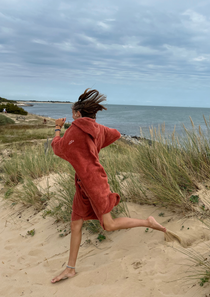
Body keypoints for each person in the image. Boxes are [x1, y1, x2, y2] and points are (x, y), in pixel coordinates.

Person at [51, 89, 166, 283]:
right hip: (83, 184)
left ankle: (148, 222)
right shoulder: (97, 128)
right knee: (76, 223)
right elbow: (115, 133)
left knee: (109, 225)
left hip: (94, 183)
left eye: (73, 112)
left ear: (78, 114)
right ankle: (70, 269)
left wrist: (57, 129)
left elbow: (57, 148)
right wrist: (94, 145)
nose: (72, 115)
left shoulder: (74, 130)